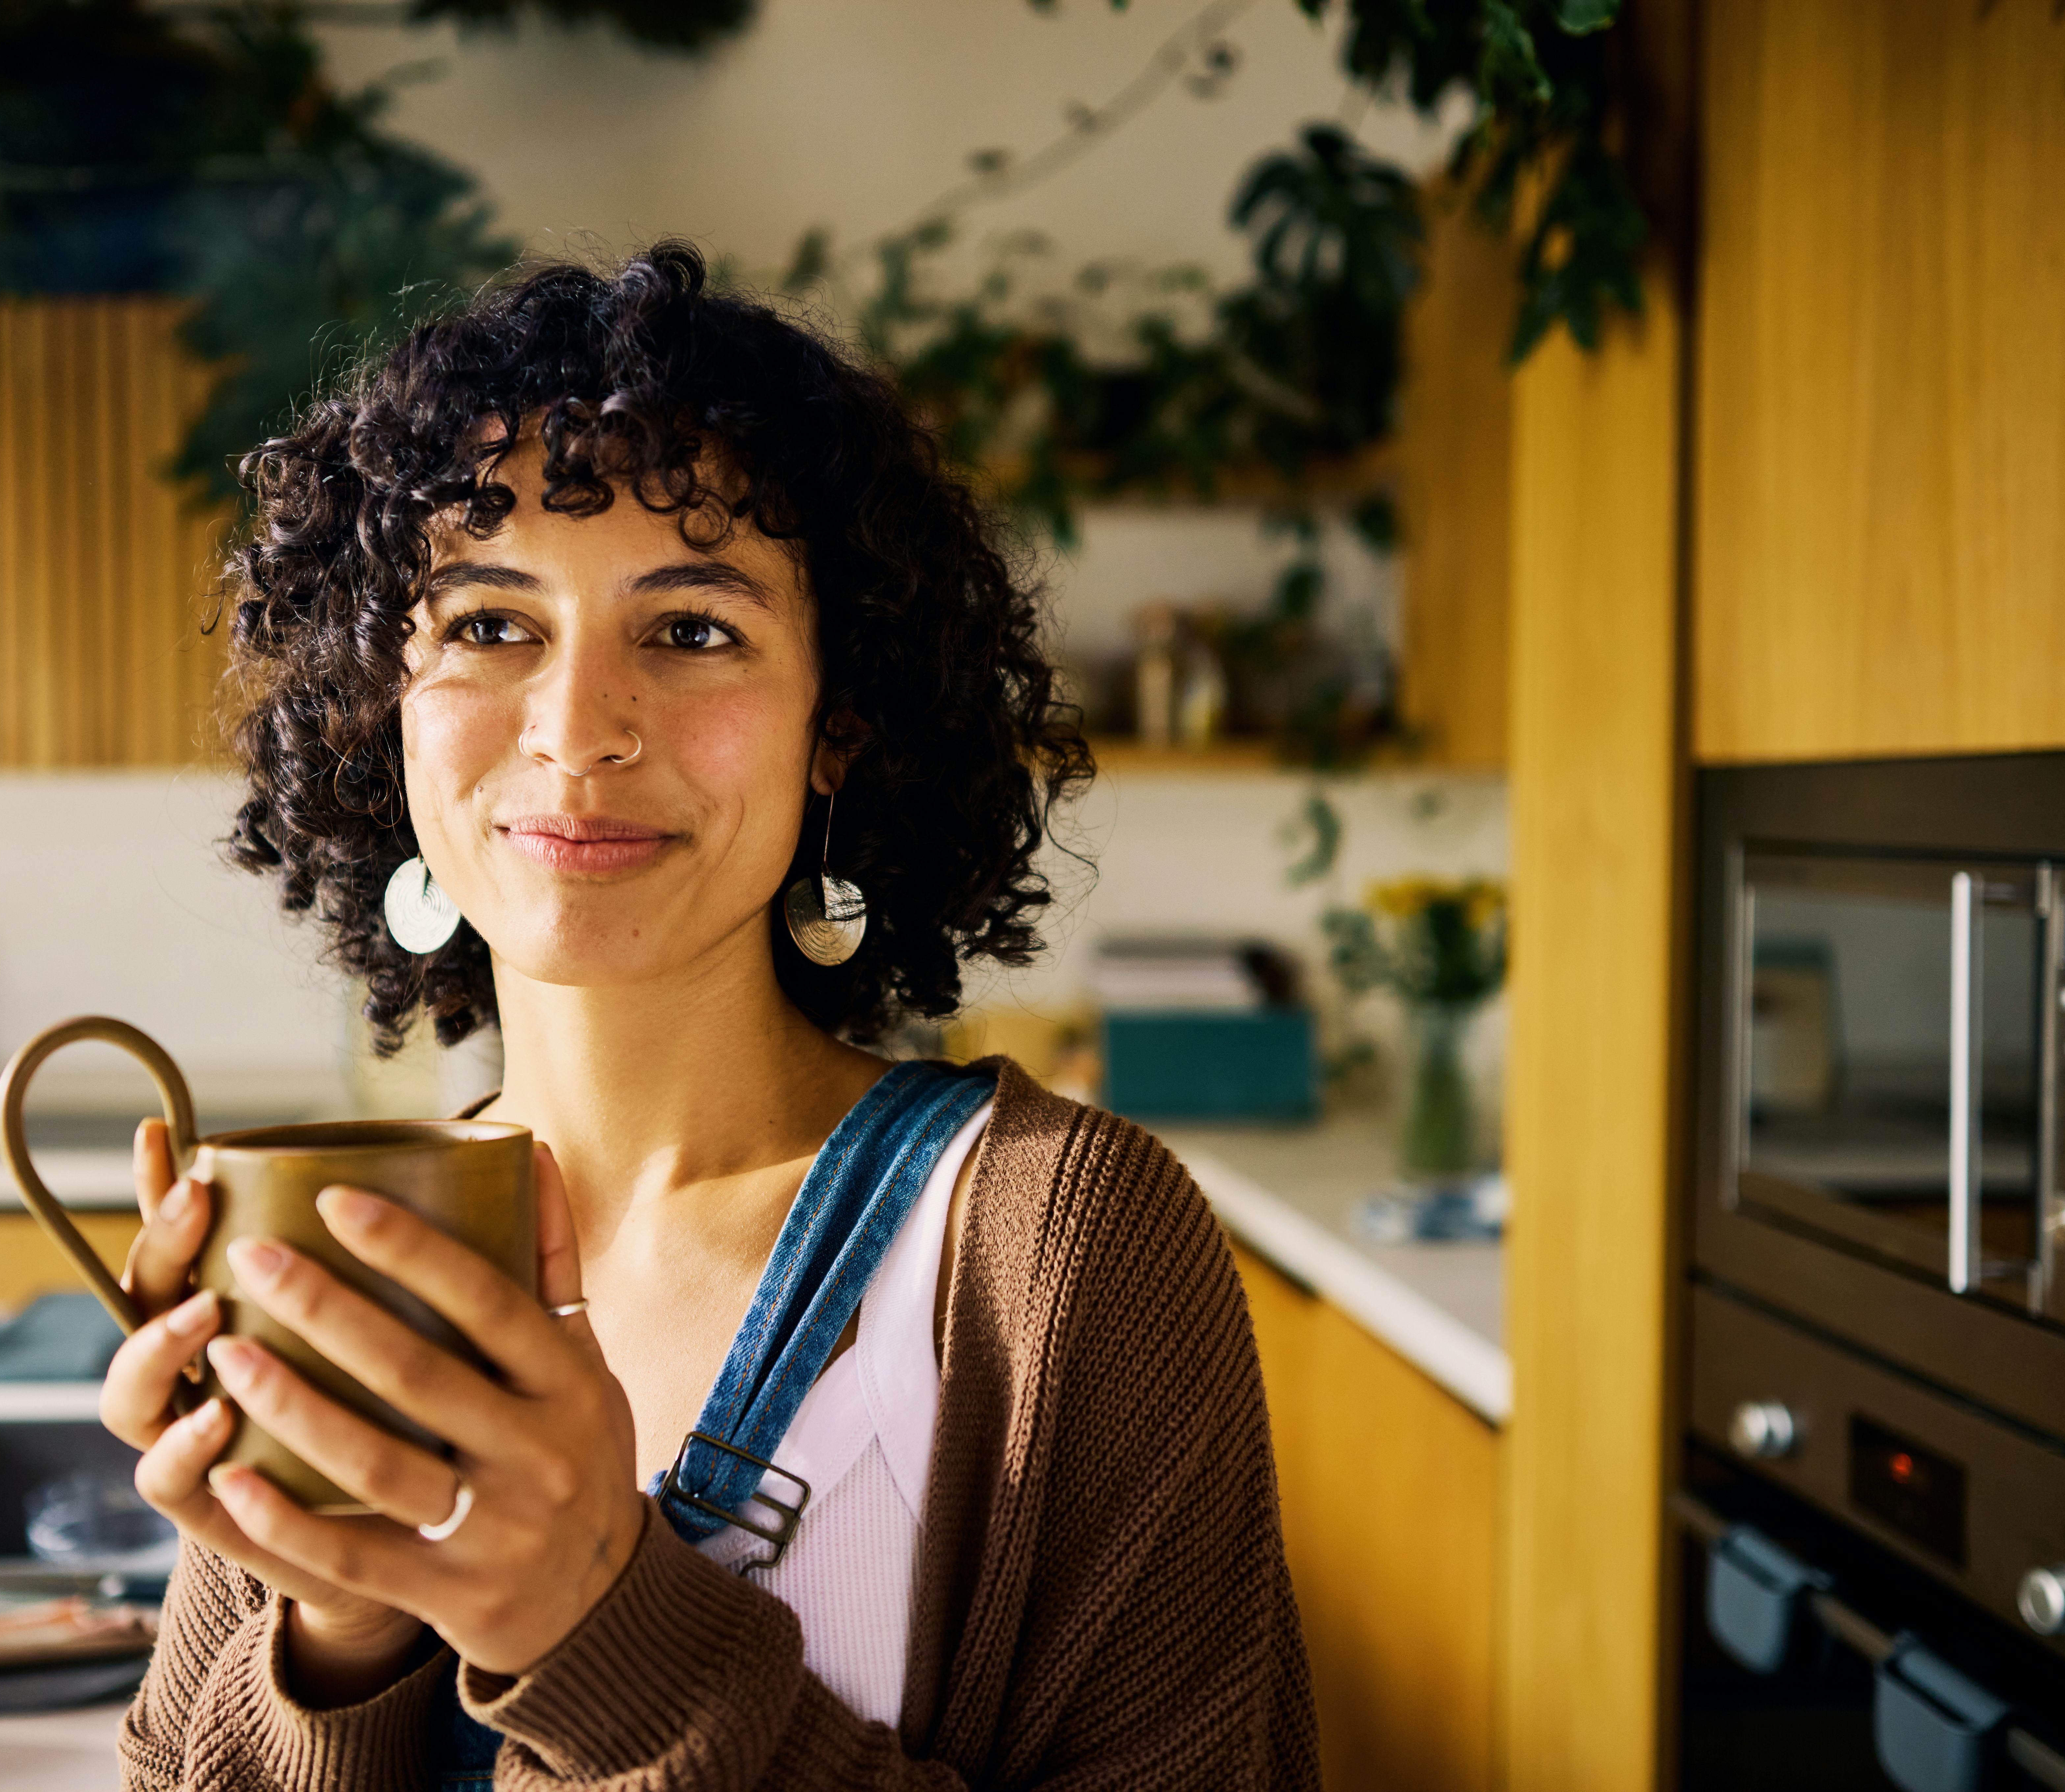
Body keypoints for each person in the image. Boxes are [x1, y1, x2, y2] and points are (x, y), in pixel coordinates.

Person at [98, 243, 1315, 1790]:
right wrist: (341, 1625)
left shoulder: (1051, 1246)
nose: (577, 730)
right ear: (379, 705)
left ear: (838, 731)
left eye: (691, 631)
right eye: (484, 623)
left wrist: (592, 1626)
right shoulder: (345, 1241)